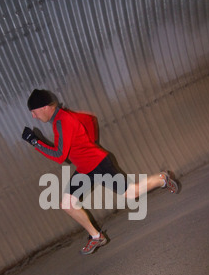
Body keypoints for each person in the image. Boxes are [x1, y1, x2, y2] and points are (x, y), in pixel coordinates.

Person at [22, 89, 179, 255]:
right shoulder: (60, 118)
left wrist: (34, 142)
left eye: (33, 112)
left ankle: (163, 178)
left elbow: (59, 156)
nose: (33, 116)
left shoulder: (62, 121)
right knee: (67, 204)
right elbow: (89, 120)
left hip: (98, 165)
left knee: (131, 193)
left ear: (45, 107)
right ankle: (96, 236)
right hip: (85, 169)